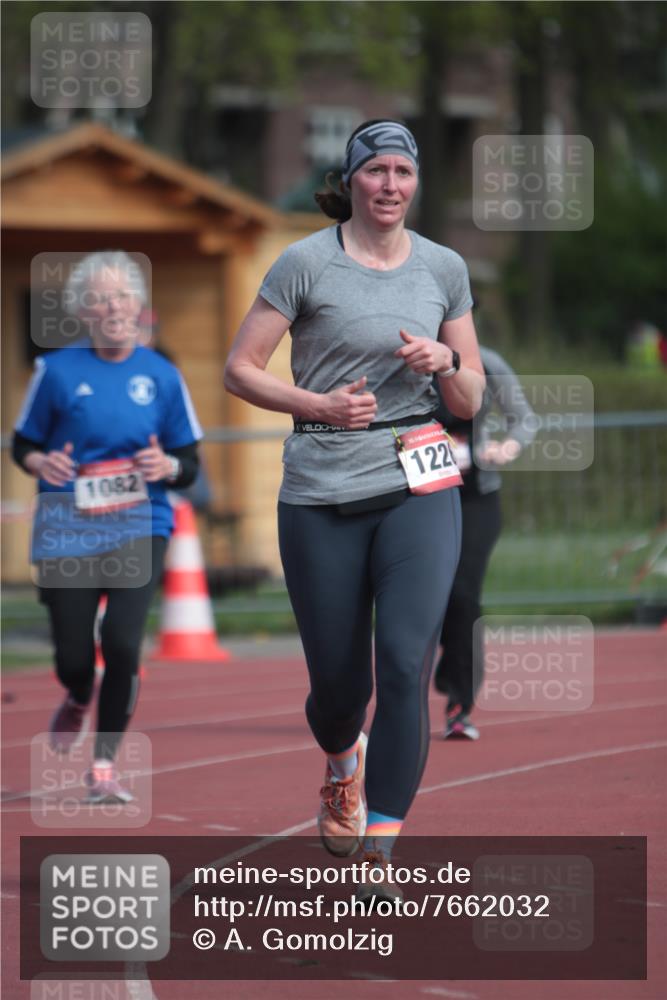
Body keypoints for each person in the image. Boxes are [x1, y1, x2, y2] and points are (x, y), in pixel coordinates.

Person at [224, 120, 485, 901]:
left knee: (405, 660)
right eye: (376, 172)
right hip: (321, 489)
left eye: (403, 172)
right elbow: (240, 369)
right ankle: (343, 764)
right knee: (339, 690)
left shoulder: (444, 266)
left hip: (419, 481)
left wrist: (447, 362)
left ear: (415, 183)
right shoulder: (304, 263)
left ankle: (380, 850)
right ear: (352, 180)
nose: (390, 186)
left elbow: (470, 394)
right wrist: (320, 405)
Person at [12, 250, 202, 803]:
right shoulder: (56, 371)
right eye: (100, 298)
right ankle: (76, 697)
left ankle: (103, 767)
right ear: (83, 311)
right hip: (66, 525)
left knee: (121, 642)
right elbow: (25, 443)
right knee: (75, 658)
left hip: (140, 522)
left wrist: (165, 466)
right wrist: (39, 463)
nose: (113, 306)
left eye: (122, 295)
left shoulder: (162, 375)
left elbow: (188, 461)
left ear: (140, 306)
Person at [433, 346, 537, 739]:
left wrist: (504, 449)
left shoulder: (488, 363)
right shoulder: (403, 361)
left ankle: (460, 702)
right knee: (432, 598)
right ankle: (449, 663)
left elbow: (525, 421)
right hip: (420, 500)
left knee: (463, 594)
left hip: (476, 500)